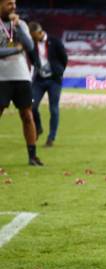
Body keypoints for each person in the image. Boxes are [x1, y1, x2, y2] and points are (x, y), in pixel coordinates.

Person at [0, 0, 42, 166]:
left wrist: (17, 27)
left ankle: (32, 156)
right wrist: (16, 50)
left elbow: (30, 45)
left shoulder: (21, 24)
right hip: (1, 76)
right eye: (9, 4)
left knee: (27, 115)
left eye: (14, 4)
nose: (13, 7)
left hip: (21, 74)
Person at [29, 21, 67, 148]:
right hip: (39, 80)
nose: (33, 39)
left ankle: (51, 137)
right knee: (32, 105)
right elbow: (32, 59)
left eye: (34, 36)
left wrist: (59, 72)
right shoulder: (32, 44)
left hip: (54, 81)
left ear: (40, 32)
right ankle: (38, 128)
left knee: (53, 109)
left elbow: (64, 58)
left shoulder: (55, 41)